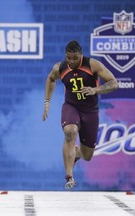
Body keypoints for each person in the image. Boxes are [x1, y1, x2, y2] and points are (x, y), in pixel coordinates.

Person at [42, 40, 118, 189]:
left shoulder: (92, 65)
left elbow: (114, 83)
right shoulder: (60, 67)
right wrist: (47, 102)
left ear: (81, 55)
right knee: (70, 132)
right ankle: (69, 176)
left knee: (88, 156)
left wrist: (95, 90)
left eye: (75, 58)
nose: (72, 61)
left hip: (90, 111)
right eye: (68, 58)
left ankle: (76, 153)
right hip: (71, 106)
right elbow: (51, 79)